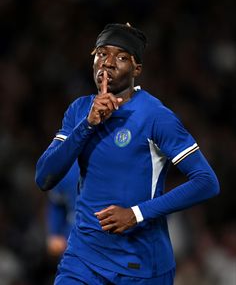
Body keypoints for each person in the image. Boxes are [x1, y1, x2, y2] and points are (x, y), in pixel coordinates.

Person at [35, 23, 220, 285]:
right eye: (101, 53)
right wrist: (87, 125)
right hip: (82, 259)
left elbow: (206, 182)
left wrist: (137, 213)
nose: (107, 63)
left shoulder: (155, 116)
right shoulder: (79, 111)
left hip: (140, 266)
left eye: (121, 57)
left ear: (137, 69)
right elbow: (44, 178)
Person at [46, 161, 79, 257]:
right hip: (72, 237)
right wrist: (54, 233)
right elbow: (57, 203)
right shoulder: (69, 165)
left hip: (108, 236)